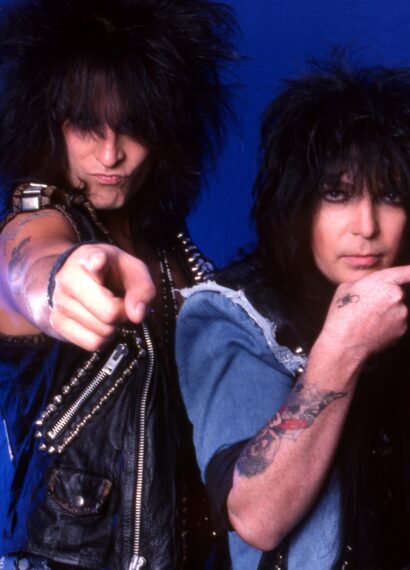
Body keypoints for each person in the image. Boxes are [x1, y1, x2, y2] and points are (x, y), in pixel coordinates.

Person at [176, 55, 410, 569]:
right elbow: (257, 516)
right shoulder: (229, 314)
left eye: (389, 196)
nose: (366, 226)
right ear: (297, 202)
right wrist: (344, 346)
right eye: (337, 194)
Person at [0, 0, 235, 567]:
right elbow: (23, 262)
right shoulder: (40, 219)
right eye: (86, 125)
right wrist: (55, 285)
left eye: (135, 126)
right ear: (50, 124)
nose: (111, 154)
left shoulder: (175, 249)